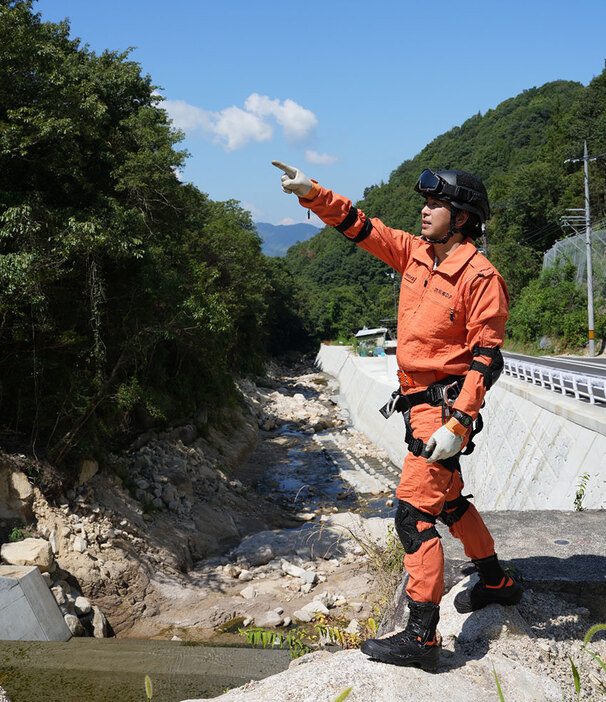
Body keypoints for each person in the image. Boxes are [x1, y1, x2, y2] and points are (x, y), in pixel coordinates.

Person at [272, 160, 523, 672]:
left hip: (442, 411)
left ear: (463, 217)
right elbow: (359, 226)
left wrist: (459, 422)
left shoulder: (480, 277)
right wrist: (311, 192)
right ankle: (496, 581)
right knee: (450, 503)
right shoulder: (414, 253)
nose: (423, 210)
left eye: (435, 204)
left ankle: (422, 639)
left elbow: (486, 358)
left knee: (413, 516)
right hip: (414, 406)